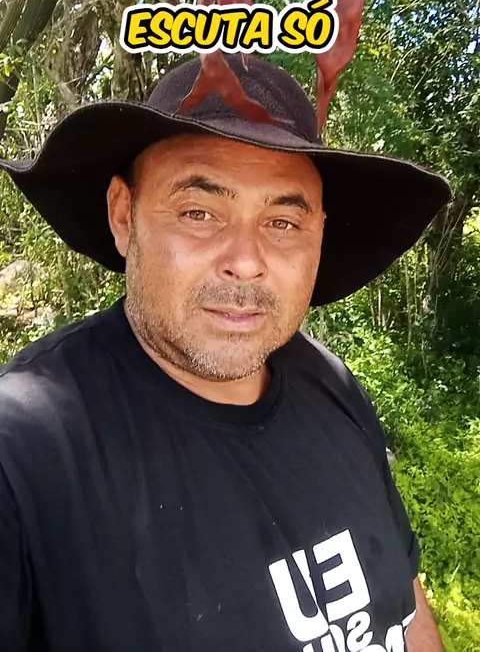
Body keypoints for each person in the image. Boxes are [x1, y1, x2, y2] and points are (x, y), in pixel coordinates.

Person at [0, 57, 450, 652]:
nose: (245, 261)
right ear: (123, 216)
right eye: (199, 213)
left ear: (319, 233)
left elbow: (404, 609)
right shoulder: (23, 455)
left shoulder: (333, 385)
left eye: (282, 222)